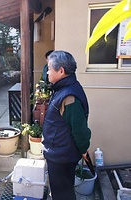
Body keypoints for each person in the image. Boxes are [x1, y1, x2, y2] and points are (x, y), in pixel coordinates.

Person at [42, 50, 91, 200]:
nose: (48, 72)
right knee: (61, 192)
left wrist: (83, 149)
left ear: (61, 71)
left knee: (63, 195)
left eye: (49, 68)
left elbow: (80, 130)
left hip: (61, 156)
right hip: (59, 153)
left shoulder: (69, 95)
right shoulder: (63, 88)